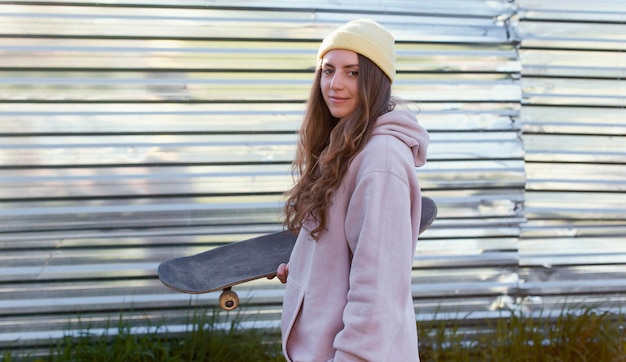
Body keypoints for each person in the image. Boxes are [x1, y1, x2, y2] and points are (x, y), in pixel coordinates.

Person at [274, 19, 429, 361]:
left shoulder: (380, 160)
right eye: (328, 70)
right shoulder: (346, 146)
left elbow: (378, 292)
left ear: (376, 80)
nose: (335, 84)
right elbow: (346, 253)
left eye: (353, 72)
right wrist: (306, 270)